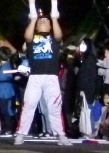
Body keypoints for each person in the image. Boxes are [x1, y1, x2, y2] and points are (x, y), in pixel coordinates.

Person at [15, 15, 71, 146]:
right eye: (41, 21)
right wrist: (34, 19)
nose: (43, 21)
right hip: (35, 76)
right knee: (29, 105)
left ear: (50, 26)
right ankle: (21, 134)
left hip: (51, 76)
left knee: (54, 107)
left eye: (46, 21)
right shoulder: (32, 38)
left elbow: (59, 35)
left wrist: (55, 18)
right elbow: (27, 36)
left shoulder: (54, 39)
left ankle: (61, 135)